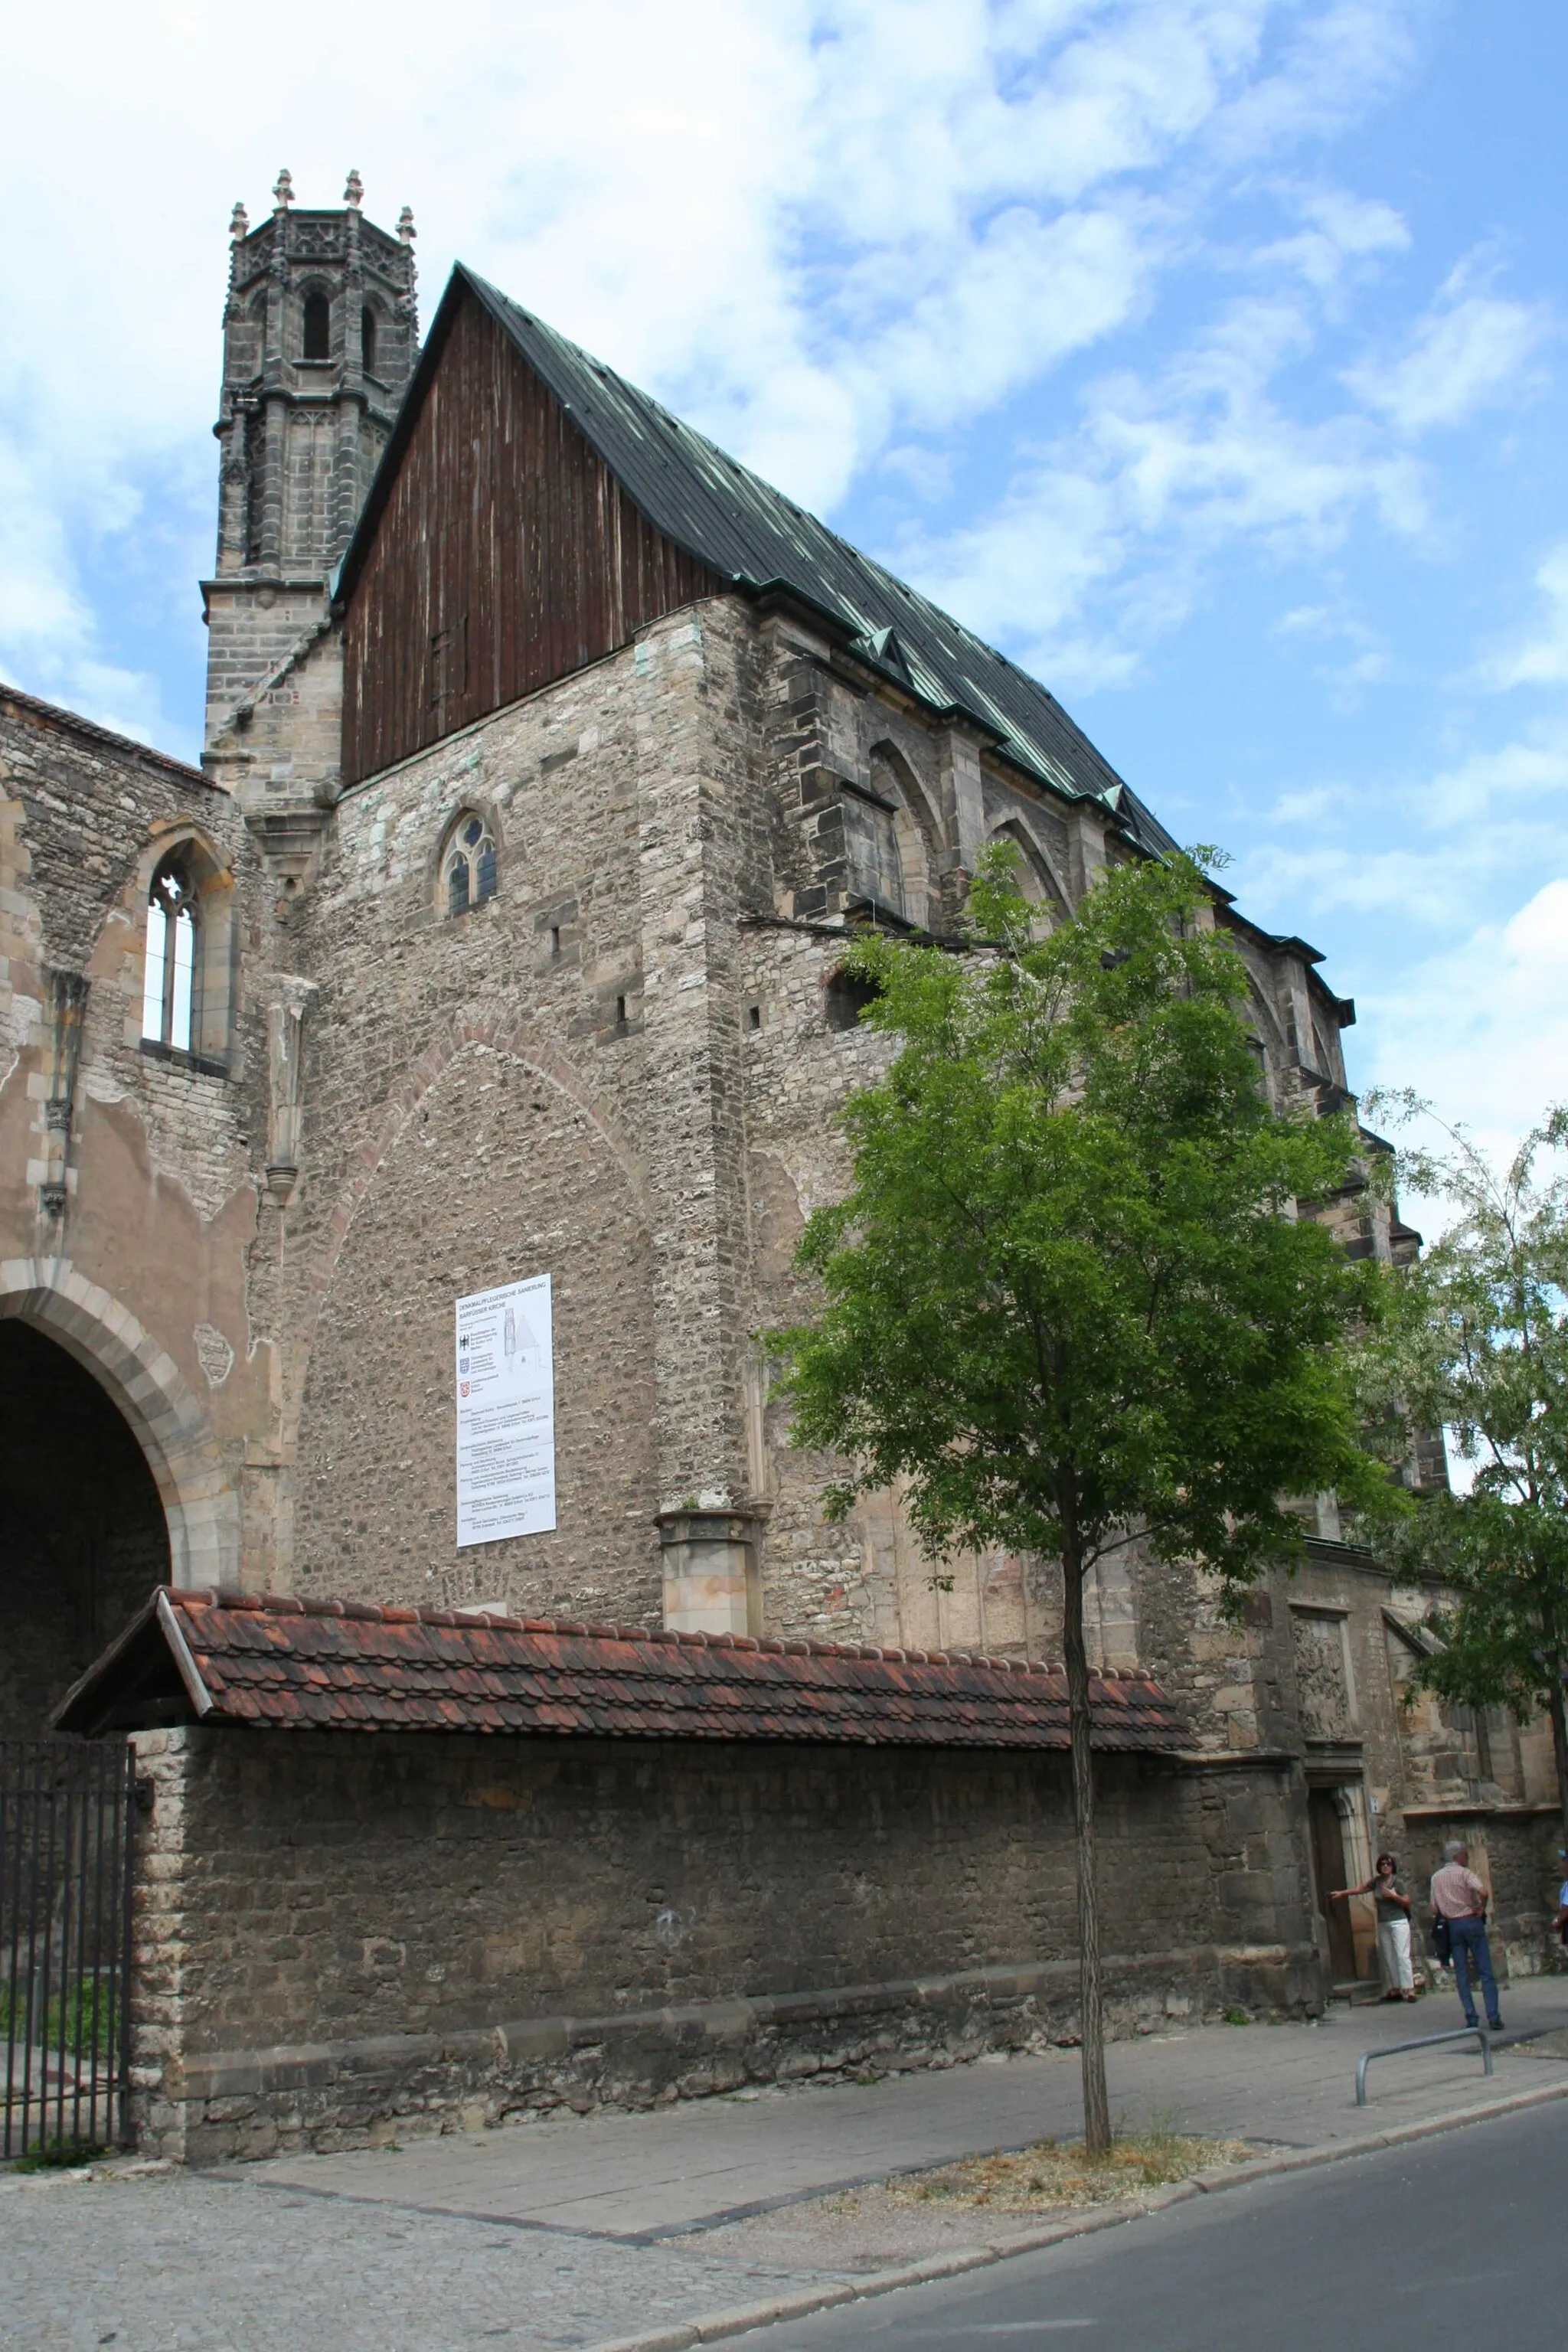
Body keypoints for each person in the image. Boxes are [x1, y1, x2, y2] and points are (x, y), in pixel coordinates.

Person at [1430, 1841, 1504, 2032]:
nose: (1467, 1857)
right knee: (1485, 1969)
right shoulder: (1465, 1873)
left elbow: (1434, 1908)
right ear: (1457, 1856)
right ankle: (1493, 2015)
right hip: (1470, 1920)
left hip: (1452, 1925)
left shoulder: (1436, 1878)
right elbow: (1483, 1891)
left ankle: (1471, 2016)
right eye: (1464, 1854)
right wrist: (1481, 1907)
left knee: (1461, 1972)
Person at [1332, 1854, 1417, 2001]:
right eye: (1383, 1864)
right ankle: (1396, 1988)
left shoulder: (1397, 1882)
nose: (1386, 1866)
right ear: (1379, 1866)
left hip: (1398, 1922)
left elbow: (1407, 1901)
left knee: (1402, 1955)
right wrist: (1342, 1893)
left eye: (1389, 1864)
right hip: (1383, 1923)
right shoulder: (1377, 1882)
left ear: (1392, 1866)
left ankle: (1409, 1989)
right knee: (1389, 1956)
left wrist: (1394, 1896)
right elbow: (1361, 1889)